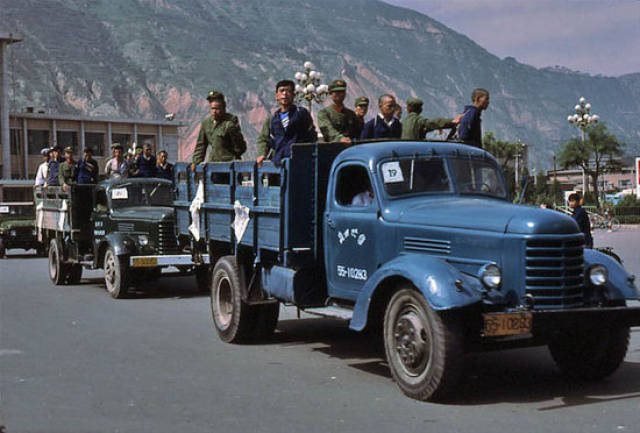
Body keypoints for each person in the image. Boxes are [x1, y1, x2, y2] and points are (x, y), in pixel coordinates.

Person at [256, 80, 317, 166]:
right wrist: (262, 154)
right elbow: (263, 139)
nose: (285, 94)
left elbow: (312, 135)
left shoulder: (301, 114)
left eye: (288, 91)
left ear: (293, 95)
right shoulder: (272, 119)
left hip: (299, 161)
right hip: (278, 163)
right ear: (276, 96)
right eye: (282, 91)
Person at [191, 90, 246, 170]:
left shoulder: (230, 121)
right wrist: (196, 162)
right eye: (212, 108)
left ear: (223, 108)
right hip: (214, 164)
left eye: (217, 109)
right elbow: (201, 145)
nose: (214, 111)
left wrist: (232, 131)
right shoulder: (206, 123)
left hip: (230, 165)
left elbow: (240, 148)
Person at [317, 79, 360, 144]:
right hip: (332, 149)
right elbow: (328, 130)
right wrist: (340, 138)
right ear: (330, 94)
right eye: (336, 92)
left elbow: (358, 133)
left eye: (342, 91)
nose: (339, 94)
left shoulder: (351, 114)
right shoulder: (324, 113)